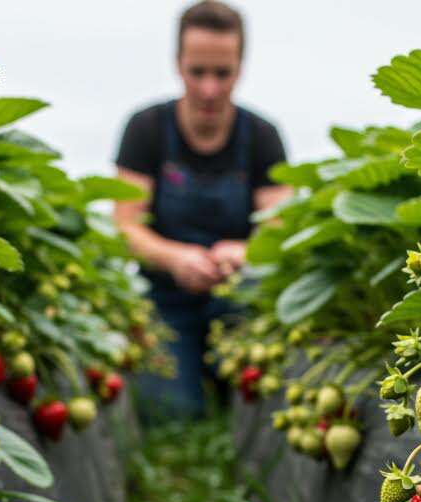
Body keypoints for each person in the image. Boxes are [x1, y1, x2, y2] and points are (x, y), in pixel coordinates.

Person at [114, 0, 291, 421]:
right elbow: (125, 226)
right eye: (198, 73)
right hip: (165, 301)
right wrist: (175, 258)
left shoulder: (263, 137)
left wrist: (244, 253)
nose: (210, 89)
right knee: (171, 413)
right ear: (178, 64)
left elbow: (281, 228)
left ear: (240, 67)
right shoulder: (146, 130)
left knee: (257, 398)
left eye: (222, 74)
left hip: (238, 301)